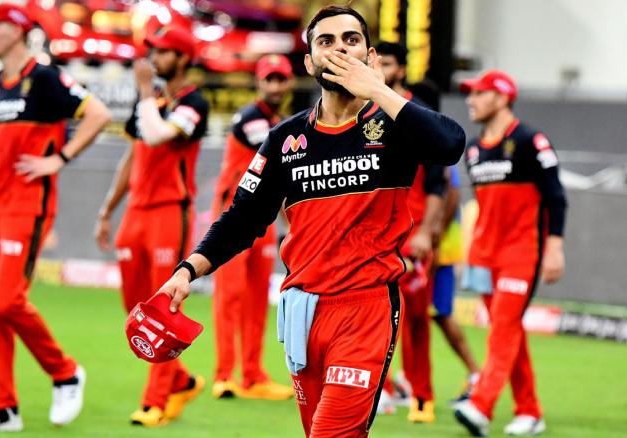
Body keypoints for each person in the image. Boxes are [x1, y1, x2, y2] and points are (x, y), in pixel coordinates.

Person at [156, 6, 465, 436]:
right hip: (302, 310)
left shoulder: (393, 125)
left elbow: (451, 144)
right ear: (309, 62)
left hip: (365, 310)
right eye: (326, 41)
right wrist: (188, 270)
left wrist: (379, 90)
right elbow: (244, 217)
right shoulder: (285, 138)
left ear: (370, 56)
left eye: (351, 40)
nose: (339, 48)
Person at [0, 2, 111, 432]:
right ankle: (3, 407)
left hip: (26, 207)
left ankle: (65, 372)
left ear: (17, 30)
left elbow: (98, 114)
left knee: (6, 299)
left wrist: (59, 158)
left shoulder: (45, 76)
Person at [94, 26, 208, 427]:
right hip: (135, 213)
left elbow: (159, 136)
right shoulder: (153, 100)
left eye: (162, 52)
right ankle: (181, 380)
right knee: (136, 309)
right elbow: (134, 154)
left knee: (161, 306)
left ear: (182, 57)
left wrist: (143, 93)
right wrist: (108, 209)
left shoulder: (194, 101)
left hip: (167, 211)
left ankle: (154, 400)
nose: (153, 59)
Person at [454, 70, 567, 437]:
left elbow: (556, 197)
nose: (470, 101)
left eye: (479, 94)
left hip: (522, 253)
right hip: (484, 255)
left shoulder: (530, 140)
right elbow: (484, 207)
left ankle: (481, 405)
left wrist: (554, 247)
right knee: (509, 329)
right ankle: (530, 411)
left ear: (502, 98)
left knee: (502, 328)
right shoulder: (473, 148)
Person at [210, 54, 295, 401]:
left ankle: (252, 374)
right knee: (229, 297)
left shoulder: (276, 121)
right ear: (259, 82)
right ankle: (224, 375)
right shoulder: (251, 118)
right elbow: (280, 157)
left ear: (289, 83)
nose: (275, 85)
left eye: (280, 79)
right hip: (236, 217)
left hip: (263, 219)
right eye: (269, 79)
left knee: (258, 297)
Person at [375, 41, 446, 423]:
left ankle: (422, 394)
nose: (379, 67)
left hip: (413, 232)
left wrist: (426, 234)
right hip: (374, 234)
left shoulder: (417, 116)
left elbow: (438, 183)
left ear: (401, 69)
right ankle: (380, 388)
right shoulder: (362, 110)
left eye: (386, 62)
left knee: (416, 317)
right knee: (375, 314)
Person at [433, 165, 480, 403]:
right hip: (428, 244)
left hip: (439, 248)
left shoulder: (440, 149)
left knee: (440, 314)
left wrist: (436, 233)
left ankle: (476, 375)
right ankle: (404, 380)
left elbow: (452, 192)